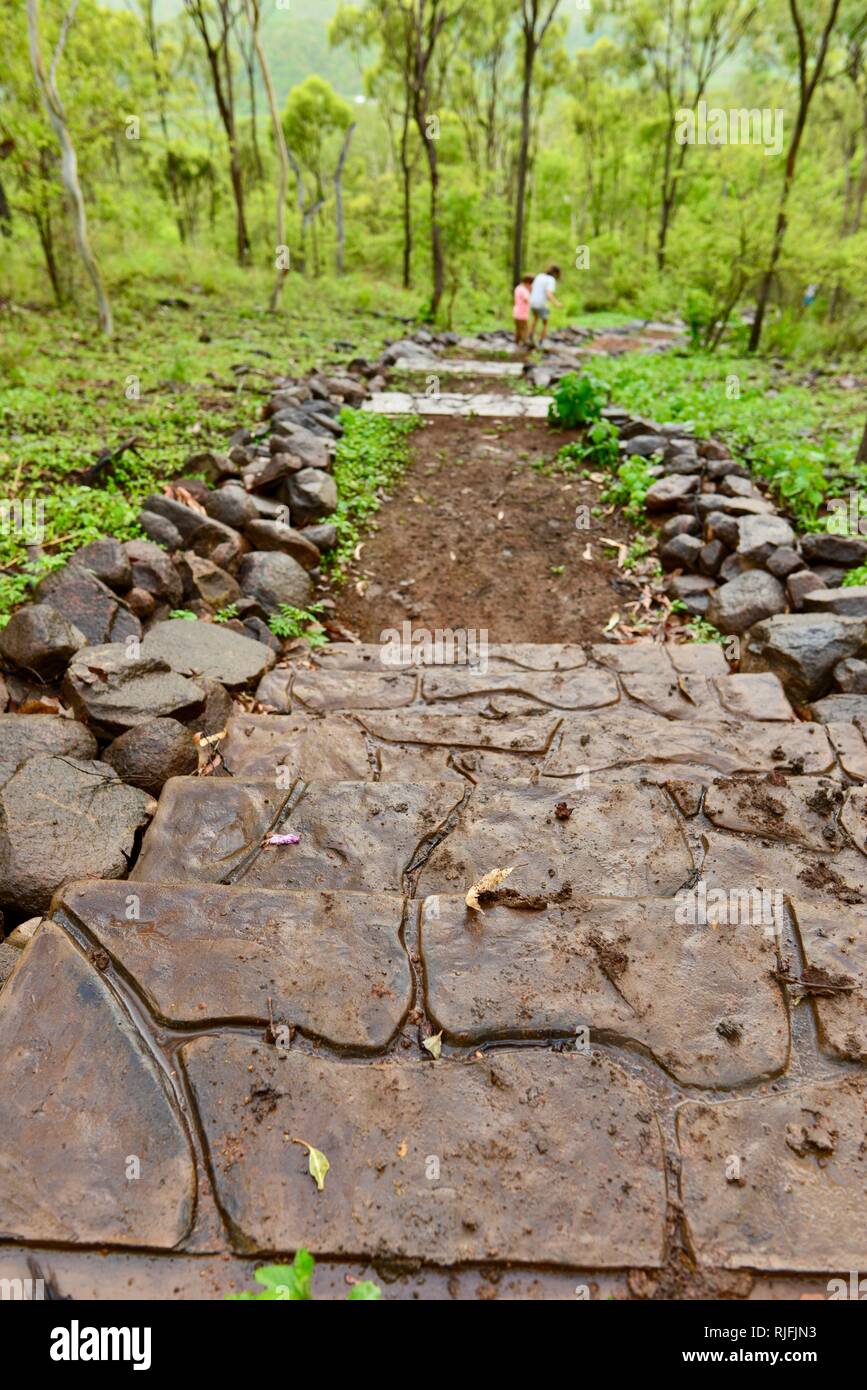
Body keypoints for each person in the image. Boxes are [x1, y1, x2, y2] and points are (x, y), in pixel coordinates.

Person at [528, 264, 562, 345]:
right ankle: (541, 341)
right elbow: (549, 294)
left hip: (532, 301)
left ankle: (530, 336)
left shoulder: (539, 276)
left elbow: (531, 288)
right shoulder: (551, 279)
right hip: (541, 303)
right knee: (545, 323)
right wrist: (557, 303)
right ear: (556, 273)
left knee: (535, 318)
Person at [513, 273, 533, 345]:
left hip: (517, 312)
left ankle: (516, 344)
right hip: (522, 313)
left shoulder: (518, 288)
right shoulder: (524, 290)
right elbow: (526, 299)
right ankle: (525, 344)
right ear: (528, 282)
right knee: (524, 329)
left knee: (518, 330)